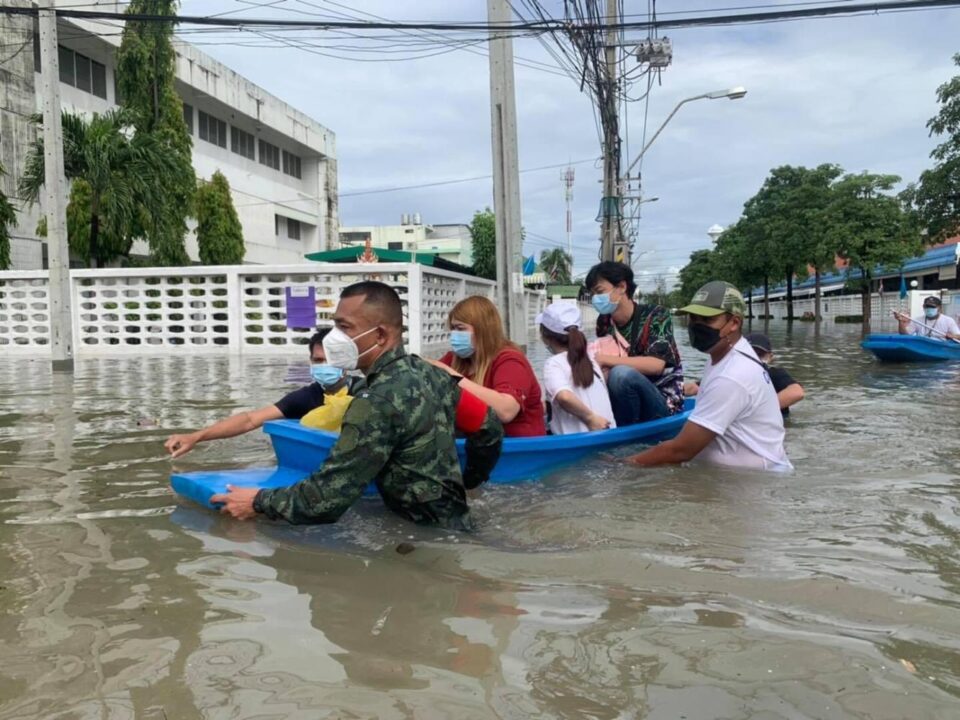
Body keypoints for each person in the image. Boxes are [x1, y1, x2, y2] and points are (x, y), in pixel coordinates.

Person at [211, 281, 504, 530]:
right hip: (454, 523)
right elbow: (489, 427)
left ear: (379, 336)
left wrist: (257, 502)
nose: (334, 337)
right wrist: (468, 483)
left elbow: (325, 500)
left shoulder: (375, 402)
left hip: (424, 538)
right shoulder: (431, 374)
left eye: (344, 326)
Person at [624, 281, 792, 471]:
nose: (697, 326)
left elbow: (681, 450)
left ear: (734, 323)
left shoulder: (732, 375)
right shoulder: (731, 355)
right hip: (752, 473)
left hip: (751, 483)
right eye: (693, 319)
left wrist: (624, 465)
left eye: (707, 320)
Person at [164, 328, 356, 458]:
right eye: (318, 360)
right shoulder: (306, 397)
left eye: (330, 360)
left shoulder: (367, 390)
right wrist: (196, 437)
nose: (324, 366)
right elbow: (250, 419)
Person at [585, 261, 684, 426]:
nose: (595, 298)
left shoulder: (656, 315)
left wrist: (603, 359)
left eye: (599, 291)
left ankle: (624, 435)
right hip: (620, 399)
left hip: (662, 401)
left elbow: (656, 365)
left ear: (622, 287)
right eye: (592, 294)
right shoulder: (604, 322)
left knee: (621, 374)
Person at [432, 295, 546, 437]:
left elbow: (506, 411)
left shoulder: (510, 360)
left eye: (460, 329)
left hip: (517, 449)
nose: (454, 335)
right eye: (453, 329)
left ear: (483, 329)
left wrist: (452, 377)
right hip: (476, 446)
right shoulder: (454, 359)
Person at [538, 302, 616, 435]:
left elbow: (564, 397)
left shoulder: (554, 363)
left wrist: (590, 419)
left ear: (546, 337)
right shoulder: (591, 360)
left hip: (578, 445)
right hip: (609, 436)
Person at [684, 333, 805, 418]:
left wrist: (756, 410)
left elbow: (797, 392)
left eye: (759, 353)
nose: (753, 357)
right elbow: (694, 387)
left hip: (775, 423)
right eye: (749, 353)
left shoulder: (775, 374)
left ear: (770, 357)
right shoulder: (729, 375)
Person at [894, 296, 960, 340]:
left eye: (932, 307)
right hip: (923, 344)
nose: (929, 309)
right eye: (927, 306)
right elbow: (905, 335)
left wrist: (952, 336)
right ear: (923, 307)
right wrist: (901, 322)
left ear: (939, 308)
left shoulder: (948, 320)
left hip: (940, 345)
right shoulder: (917, 320)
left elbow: (958, 336)